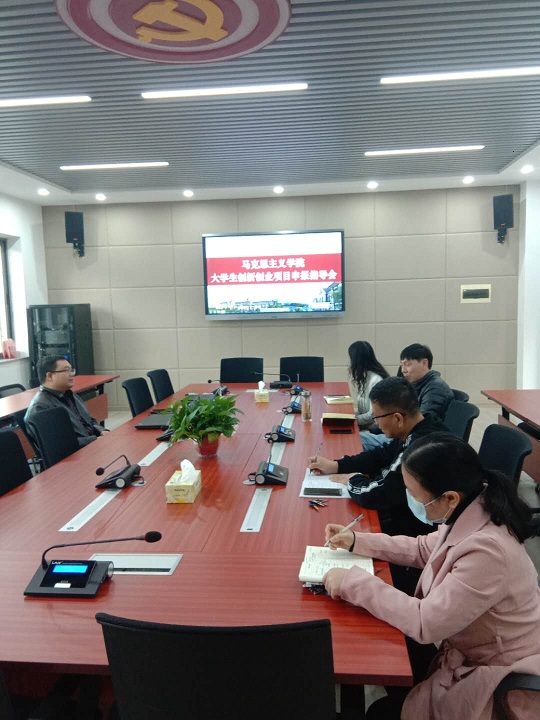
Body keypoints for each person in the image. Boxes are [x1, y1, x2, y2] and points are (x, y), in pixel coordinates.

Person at [323, 433, 540, 720]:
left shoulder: (489, 552)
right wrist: (356, 540)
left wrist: (352, 582)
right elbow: (423, 548)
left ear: (449, 497)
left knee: (381, 709)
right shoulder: (472, 507)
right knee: (386, 645)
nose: (412, 500)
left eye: (415, 495)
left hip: (495, 674)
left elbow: (425, 623)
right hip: (463, 642)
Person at [309, 376, 447, 539]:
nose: (376, 424)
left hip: (417, 533)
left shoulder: (418, 450)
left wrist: (352, 479)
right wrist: (336, 465)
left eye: (376, 418)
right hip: (404, 513)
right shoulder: (420, 426)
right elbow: (380, 455)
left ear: (397, 418)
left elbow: (376, 495)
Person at [361, 342, 453, 451]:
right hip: (405, 435)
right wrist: (373, 430)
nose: (403, 370)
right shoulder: (416, 384)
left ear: (424, 363)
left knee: (359, 439)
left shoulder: (436, 388)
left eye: (408, 364)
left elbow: (419, 424)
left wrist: (373, 431)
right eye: (402, 365)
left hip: (417, 442)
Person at [25, 355, 104, 448]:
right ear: (49, 376)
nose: (72, 374)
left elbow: (88, 420)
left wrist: (101, 431)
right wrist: (94, 439)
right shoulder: (40, 407)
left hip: (90, 444)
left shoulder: (69, 394)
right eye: (66, 370)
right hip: (76, 453)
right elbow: (58, 444)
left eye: (71, 370)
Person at [347, 341, 389, 428]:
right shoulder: (364, 377)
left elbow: (373, 415)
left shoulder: (376, 380)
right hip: (366, 425)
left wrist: (353, 420)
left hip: (376, 428)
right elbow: (362, 411)